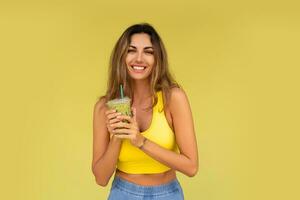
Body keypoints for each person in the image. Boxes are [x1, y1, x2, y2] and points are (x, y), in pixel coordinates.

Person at [92, 23, 198, 200]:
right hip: (122, 194)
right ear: (121, 56)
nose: (139, 58)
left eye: (148, 52)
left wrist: (140, 141)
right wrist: (119, 135)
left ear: (158, 59)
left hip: (167, 194)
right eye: (131, 50)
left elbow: (191, 167)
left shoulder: (173, 98)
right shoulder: (104, 107)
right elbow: (101, 178)